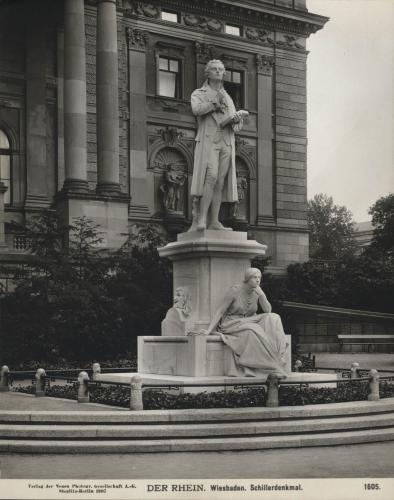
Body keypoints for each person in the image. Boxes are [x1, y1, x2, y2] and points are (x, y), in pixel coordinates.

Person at [189, 60, 249, 231]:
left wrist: (237, 119)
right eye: (214, 69)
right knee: (211, 176)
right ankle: (201, 219)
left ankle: (214, 221)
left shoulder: (228, 96)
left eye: (220, 70)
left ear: (224, 74)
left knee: (220, 182)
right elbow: (197, 110)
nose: (217, 72)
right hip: (210, 140)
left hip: (226, 141)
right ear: (207, 73)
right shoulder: (199, 93)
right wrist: (214, 103)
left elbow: (235, 125)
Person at [200, 268, 288, 377]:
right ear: (247, 278)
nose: (257, 280)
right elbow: (220, 311)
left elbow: (268, 310)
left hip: (250, 320)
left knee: (274, 317)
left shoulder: (257, 291)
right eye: (254, 277)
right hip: (232, 323)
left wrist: (262, 295)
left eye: (259, 278)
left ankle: (279, 355)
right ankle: (270, 364)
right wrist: (209, 330)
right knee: (252, 330)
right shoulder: (235, 290)